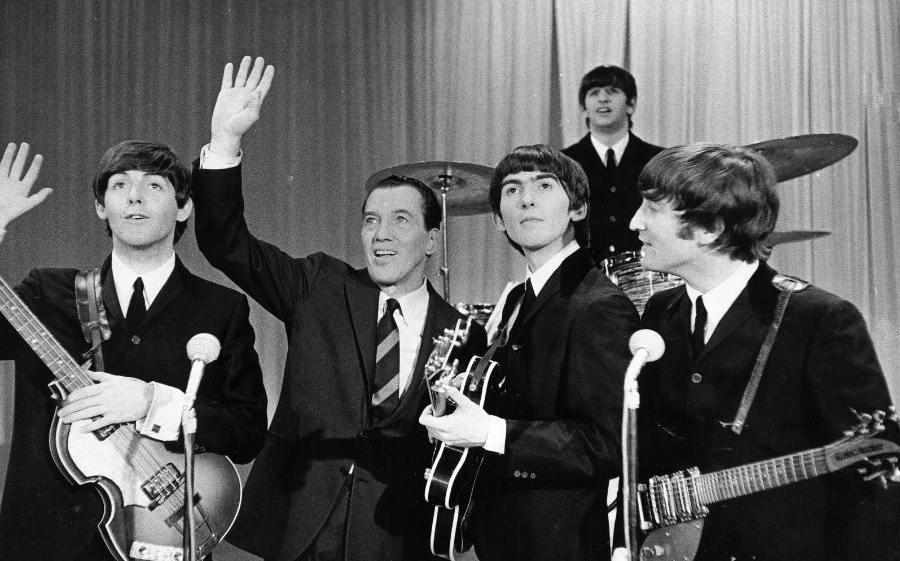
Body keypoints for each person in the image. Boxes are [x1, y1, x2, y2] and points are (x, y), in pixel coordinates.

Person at [191, 56, 486, 561]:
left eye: (400, 220)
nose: (381, 235)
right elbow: (226, 244)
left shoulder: (462, 333)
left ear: (432, 240)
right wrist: (225, 141)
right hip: (300, 527)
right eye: (371, 220)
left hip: (399, 540)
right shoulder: (319, 285)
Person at [622, 142, 899, 560]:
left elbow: (873, 482)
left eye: (652, 208)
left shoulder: (820, 319)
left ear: (710, 228)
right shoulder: (661, 310)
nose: (635, 222)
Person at [0, 141, 268, 561]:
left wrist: (151, 402)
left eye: (154, 185)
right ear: (101, 207)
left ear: (184, 208)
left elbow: (248, 432)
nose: (135, 196)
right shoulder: (46, 292)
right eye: (119, 184)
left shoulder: (221, 308)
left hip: (167, 539)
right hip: (49, 543)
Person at [419, 144, 640, 561]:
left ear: (578, 208)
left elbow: (606, 445)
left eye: (544, 186)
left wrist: (489, 431)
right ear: (499, 220)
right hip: (504, 537)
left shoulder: (599, 305)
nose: (527, 199)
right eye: (512, 189)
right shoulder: (520, 298)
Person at [561, 65, 663, 262]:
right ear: (583, 108)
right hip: (581, 275)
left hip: (646, 271)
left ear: (631, 104)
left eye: (612, 91)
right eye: (594, 93)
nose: (603, 98)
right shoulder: (562, 162)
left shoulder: (659, 160)